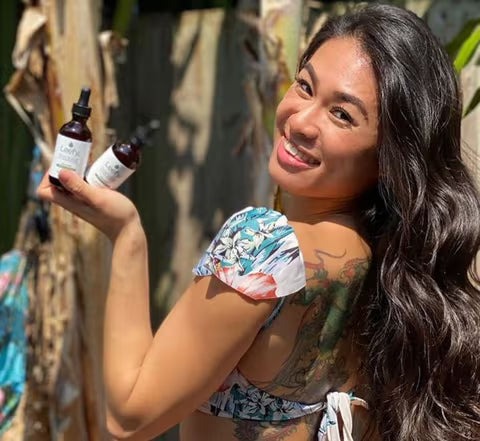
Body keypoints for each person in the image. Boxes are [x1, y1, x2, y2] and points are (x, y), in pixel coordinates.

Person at [37, 3, 480, 441]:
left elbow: (130, 416)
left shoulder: (263, 245)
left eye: (342, 114)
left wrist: (126, 235)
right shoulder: (392, 258)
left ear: (388, 156)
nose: (301, 122)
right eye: (305, 86)